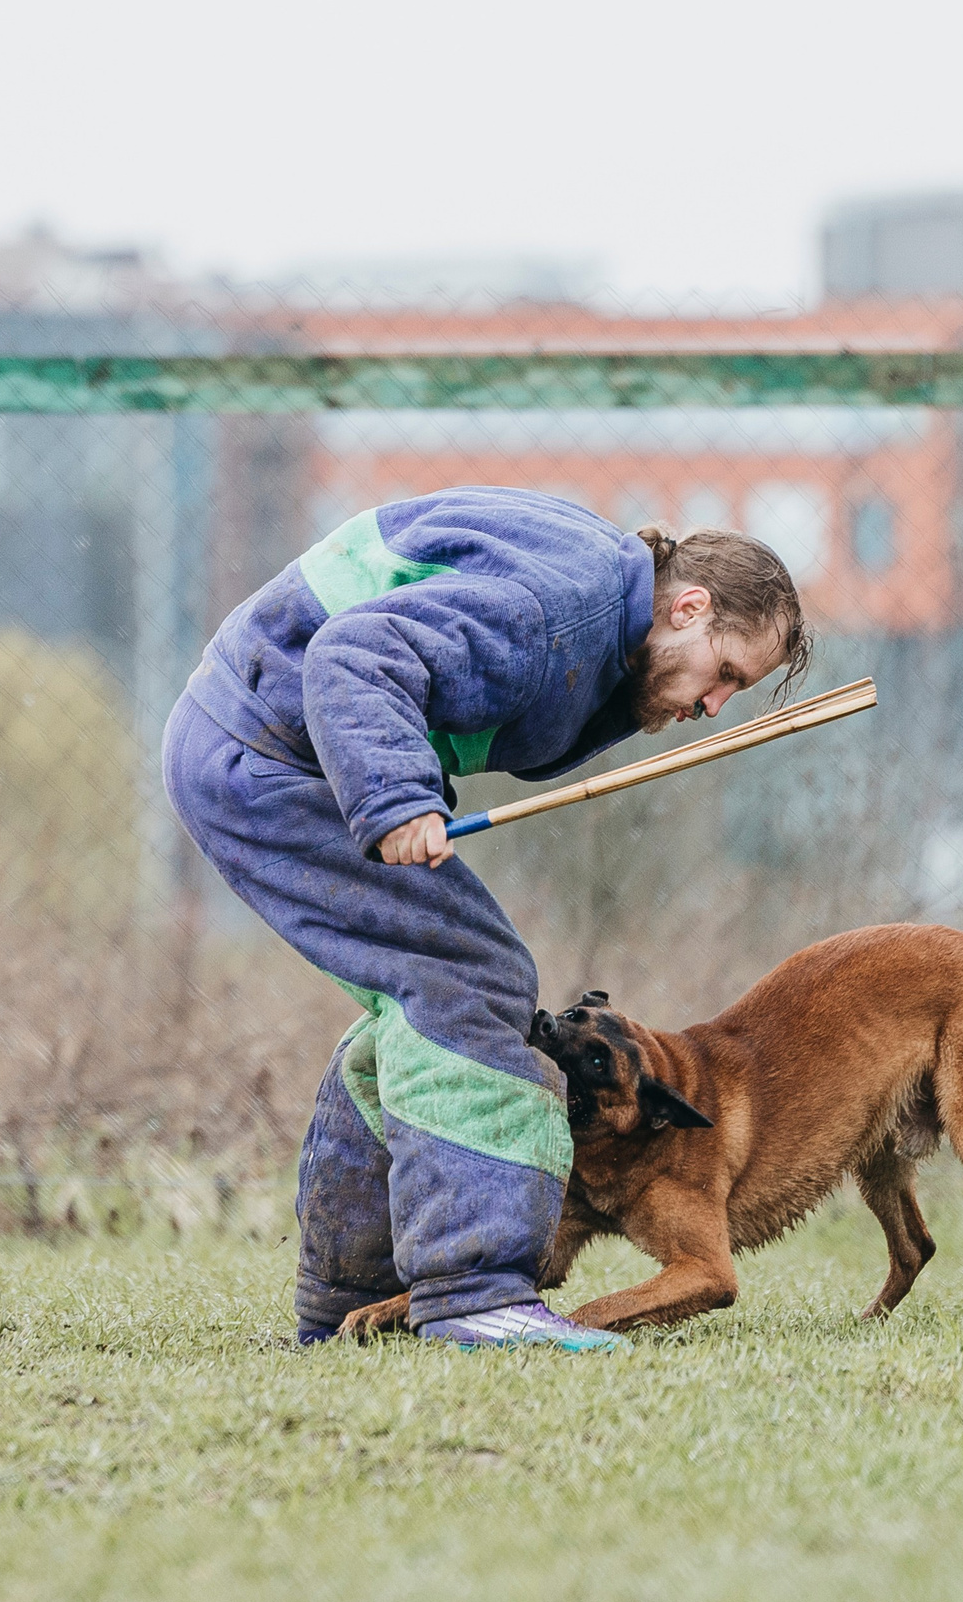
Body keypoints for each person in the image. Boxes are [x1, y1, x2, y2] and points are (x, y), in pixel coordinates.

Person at [162, 485, 808, 1351]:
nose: (713, 706)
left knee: (431, 989)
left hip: (260, 742)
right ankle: (473, 1295)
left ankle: (347, 1296)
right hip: (266, 755)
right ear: (688, 607)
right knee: (468, 980)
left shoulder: (602, 593)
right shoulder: (559, 614)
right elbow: (356, 654)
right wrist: (394, 798)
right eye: (725, 672)